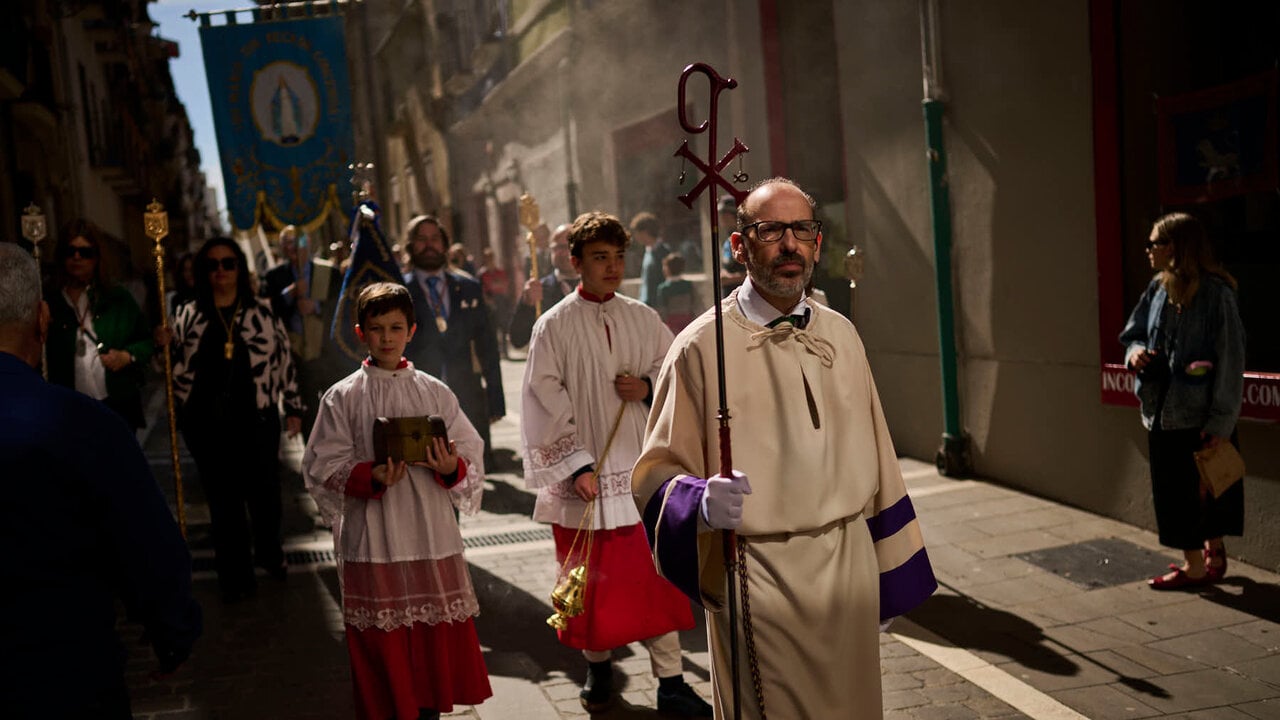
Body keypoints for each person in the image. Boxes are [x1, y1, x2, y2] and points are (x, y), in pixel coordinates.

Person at [632, 178, 937, 718]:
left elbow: (879, 459)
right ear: (739, 244)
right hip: (759, 575)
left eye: (802, 230)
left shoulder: (841, 334)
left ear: (817, 243)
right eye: (771, 230)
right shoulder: (702, 348)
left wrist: (887, 577)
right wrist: (699, 502)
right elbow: (656, 472)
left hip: (848, 569)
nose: (790, 244)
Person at [521, 212, 711, 717]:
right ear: (575, 261)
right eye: (600, 257)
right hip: (583, 479)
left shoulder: (642, 316)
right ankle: (599, 666)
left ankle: (670, 682)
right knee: (592, 585)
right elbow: (544, 398)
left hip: (640, 475)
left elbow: (673, 372)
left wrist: (647, 387)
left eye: (618, 257)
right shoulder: (553, 325)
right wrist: (576, 467)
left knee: (655, 581)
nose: (611, 267)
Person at [0, 242, 202, 718]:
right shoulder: (82, 426)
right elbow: (145, 543)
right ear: (42, 319)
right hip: (62, 670)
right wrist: (173, 632)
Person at [303, 282, 492, 720]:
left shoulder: (434, 391)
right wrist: (370, 474)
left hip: (428, 528)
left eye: (395, 328)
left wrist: (449, 467)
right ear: (360, 332)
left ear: (412, 330)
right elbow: (320, 463)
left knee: (429, 636)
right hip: (374, 532)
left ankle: (426, 710)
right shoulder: (343, 395)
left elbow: (470, 450)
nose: (386, 337)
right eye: (376, 329)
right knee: (382, 639)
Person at [166, 237, 304, 602]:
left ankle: (270, 552)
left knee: (264, 493)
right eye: (212, 265)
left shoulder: (261, 311)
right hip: (206, 421)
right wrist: (161, 346)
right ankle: (235, 571)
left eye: (228, 263)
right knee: (222, 497)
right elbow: (171, 368)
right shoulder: (186, 314)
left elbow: (284, 360)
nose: (221, 271)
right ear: (202, 271)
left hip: (255, 416)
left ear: (240, 268)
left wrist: (292, 407)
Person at [1120, 212, 1245, 589]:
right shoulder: (1157, 290)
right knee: (1177, 493)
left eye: (1154, 243)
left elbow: (1231, 360)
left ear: (1175, 247)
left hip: (1199, 415)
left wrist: (1220, 424)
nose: (1148, 251)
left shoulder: (1216, 295)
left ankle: (1200, 563)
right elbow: (1132, 334)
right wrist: (1136, 353)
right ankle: (1204, 559)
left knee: (1206, 488)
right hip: (1160, 412)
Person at [402, 215, 505, 463]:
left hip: (466, 395)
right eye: (421, 239)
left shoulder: (468, 286)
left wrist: (494, 399)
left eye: (435, 239)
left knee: (473, 469)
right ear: (411, 246)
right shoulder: (398, 289)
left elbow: (487, 345)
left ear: (445, 245)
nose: (429, 245)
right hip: (418, 398)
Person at [44, 219, 154, 429]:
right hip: (68, 407)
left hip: (115, 405)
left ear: (96, 257)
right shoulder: (49, 300)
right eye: (70, 251)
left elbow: (146, 340)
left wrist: (126, 356)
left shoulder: (116, 298)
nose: (77, 257)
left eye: (85, 252)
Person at [262, 225, 342, 436]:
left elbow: (339, 307)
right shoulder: (275, 276)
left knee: (335, 411)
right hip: (296, 355)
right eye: (287, 243)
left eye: (297, 242)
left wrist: (315, 306)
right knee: (308, 414)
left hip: (326, 354)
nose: (293, 247)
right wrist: (291, 293)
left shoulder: (329, 272)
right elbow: (267, 309)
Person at [507, 223, 578, 350]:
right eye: (560, 247)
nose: (567, 253)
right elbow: (517, 339)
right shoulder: (539, 289)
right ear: (550, 250)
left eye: (572, 246)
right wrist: (527, 305)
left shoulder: (597, 287)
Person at [476, 247, 513, 356]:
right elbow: (480, 289)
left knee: (503, 326)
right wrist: (488, 301)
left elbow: (505, 285)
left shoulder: (500, 272)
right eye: (488, 258)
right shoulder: (482, 274)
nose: (490, 260)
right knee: (493, 328)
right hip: (489, 301)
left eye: (491, 258)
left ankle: (505, 350)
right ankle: (495, 350)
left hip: (501, 300)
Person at [631, 211, 670, 308]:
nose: (635, 237)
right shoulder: (648, 251)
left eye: (637, 233)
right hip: (646, 305)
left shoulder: (663, 252)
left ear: (645, 232)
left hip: (658, 307)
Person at [656, 252, 700, 334]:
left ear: (667, 269)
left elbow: (662, 309)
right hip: (688, 321)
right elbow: (696, 304)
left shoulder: (663, 288)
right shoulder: (688, 285)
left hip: (672, 324)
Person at [717, 196, 747, 298]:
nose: (722, 220)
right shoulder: (727, 241)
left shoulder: (745, 241)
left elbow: (757, 275)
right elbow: (727, 266)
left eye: (725, 215)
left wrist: (731, 279)